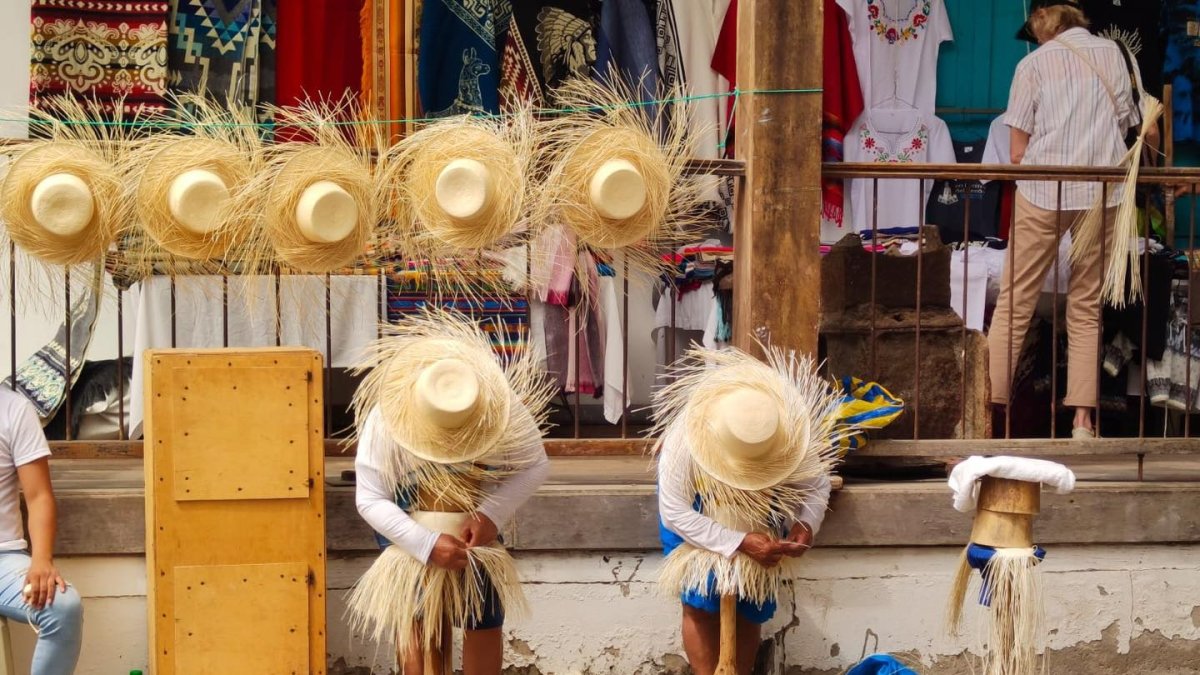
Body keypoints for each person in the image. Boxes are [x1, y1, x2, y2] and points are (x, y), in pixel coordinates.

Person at [346, 310, 551, 675]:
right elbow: (371, 498)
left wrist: (491, 515)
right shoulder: (386, 419)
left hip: (473, 516)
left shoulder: (501, 409)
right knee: (418, 618)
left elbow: (535, 465)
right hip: (403, 515)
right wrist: (423, 544)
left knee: (483, 616)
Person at [989, 0, 1152, 438]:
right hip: (1104, 190)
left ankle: (988, 415)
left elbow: (1019, 151)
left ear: (1045, 23)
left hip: (1045, 188)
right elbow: (1125, 124)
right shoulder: (1115, 55)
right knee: (1085, 306)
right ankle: (1082, 419)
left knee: (1014, 303)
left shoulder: (1034, 65)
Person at [652, 347, 842, 675]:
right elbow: (674, 512)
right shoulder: (685, 437)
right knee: (701, 601)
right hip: (697, 508)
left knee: (750, 603)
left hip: (760, 507)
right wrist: (739, 541)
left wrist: (805, 525)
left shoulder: (784, 432)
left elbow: (817, 486)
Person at [0, 388, 82, 675]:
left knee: (62, 606)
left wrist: (41, 560)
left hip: (3, 561)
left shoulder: (13, 409)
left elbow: (39, 497)